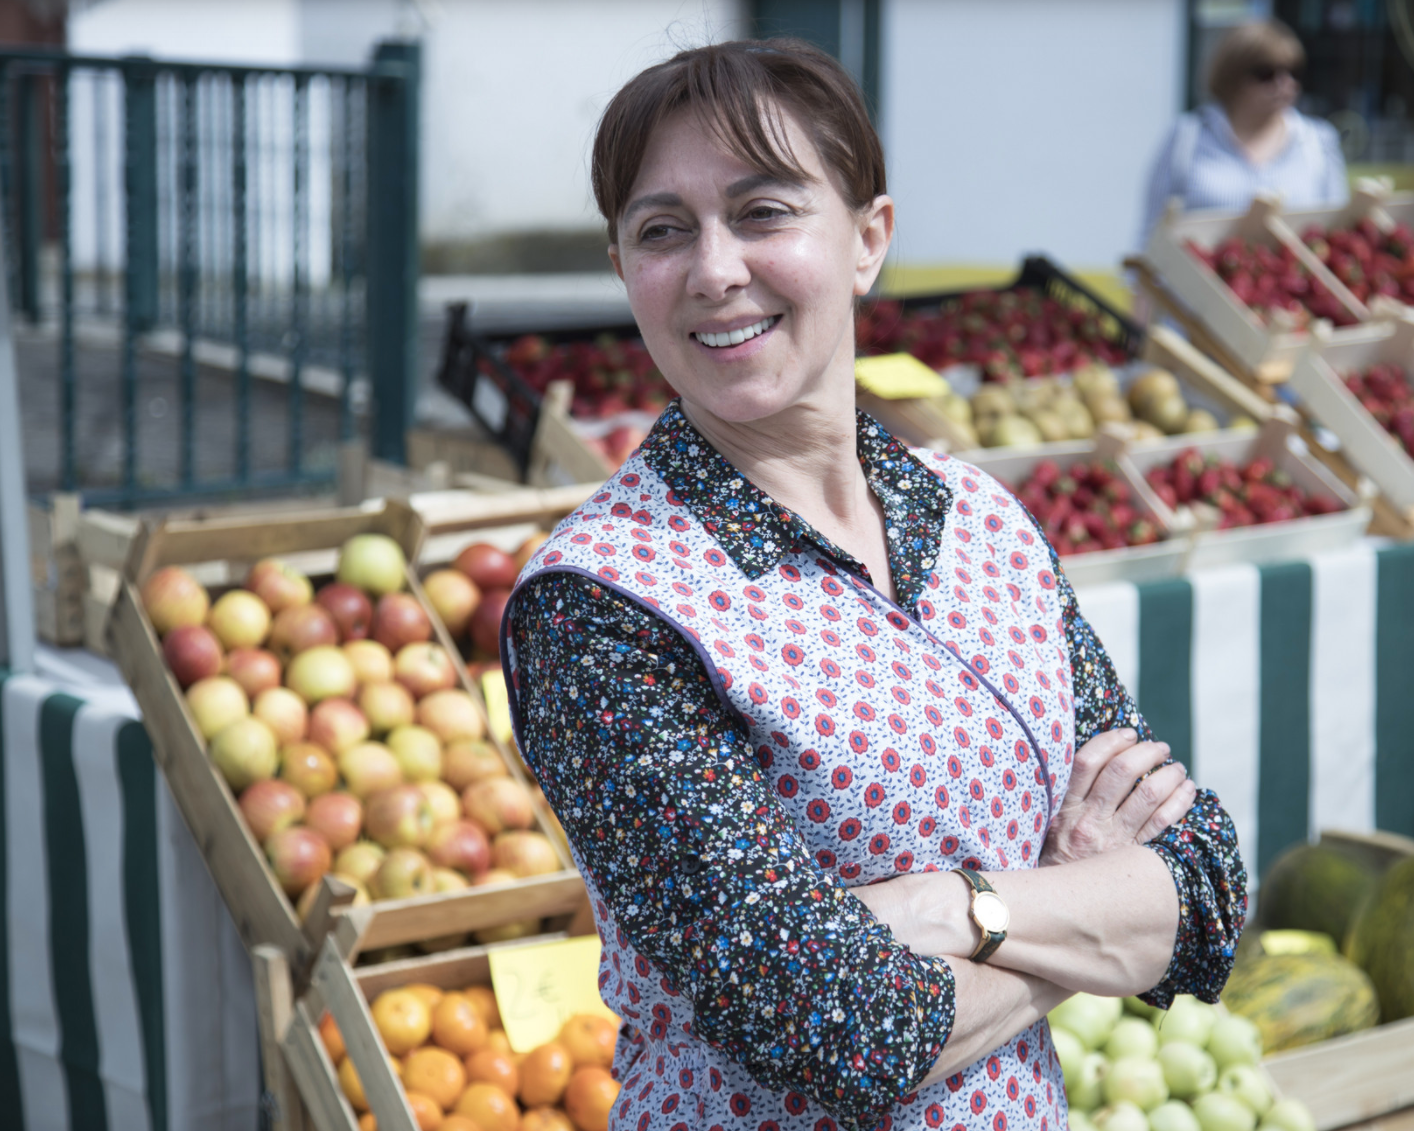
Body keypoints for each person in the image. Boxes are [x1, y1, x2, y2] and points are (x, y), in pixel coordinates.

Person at [502, 38, 1245, 1131]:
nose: (714, 269)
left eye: (762, 212)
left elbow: (1204, 885)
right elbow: (840, 1027)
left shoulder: (980, 518)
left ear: (868, 239)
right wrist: (1081, 898)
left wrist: (951, 908)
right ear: (624, 269)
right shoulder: (601, 605)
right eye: (663, 230)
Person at [1139, 19, 1347, 248]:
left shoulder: (1317, 141)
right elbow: (1151, 234)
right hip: (1196, 271)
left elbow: (1337, 232)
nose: (1284, 83)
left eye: (1294, 72)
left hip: (1294, 271)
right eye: (1266, 73)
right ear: (1233, 76)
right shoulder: (1187, 136)